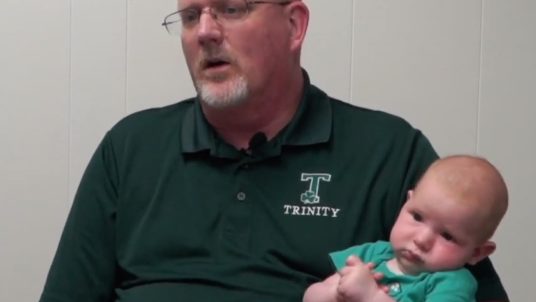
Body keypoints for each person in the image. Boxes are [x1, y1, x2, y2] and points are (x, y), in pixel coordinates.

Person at [39, 0, 509, 301]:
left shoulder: (390, 151)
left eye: (231, 7)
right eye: (189, 15)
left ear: (294, 25)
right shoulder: (130, 147)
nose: (204, 31)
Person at [302, 155, 508, 302]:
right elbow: (311, 296)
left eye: (447, 236)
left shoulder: (452, 284)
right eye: (417, 217)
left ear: (477, 252)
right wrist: (335, 293)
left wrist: (372, 297)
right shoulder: (370, 254)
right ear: (405, 204)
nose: (422, 239)